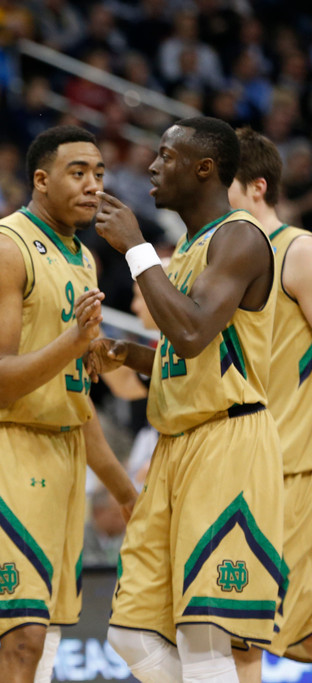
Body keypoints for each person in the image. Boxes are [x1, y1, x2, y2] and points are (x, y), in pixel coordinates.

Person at [89, 116, 285, 682]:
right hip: (177, 448)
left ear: (205, 168)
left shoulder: (240, 236)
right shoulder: (196, 246)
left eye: (166, 156)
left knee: (204, 635)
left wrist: (135, 249)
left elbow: (193, 332)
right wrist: (129, 354)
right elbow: (191, 355)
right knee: (130, 632)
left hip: (227, 443)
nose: (152, 166)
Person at [0, 124, 136, 682]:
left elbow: (73, 394)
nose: (93, 185)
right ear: (41, 179)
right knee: (23, 634)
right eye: (78, 173)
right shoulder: (0, 249)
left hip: (61, 451)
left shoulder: (83, 257)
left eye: (100, 174)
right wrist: (72, 343)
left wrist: (126, 491)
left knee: (48, 632)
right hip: (4, 446)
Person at [227, 127, 312, 678]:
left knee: (257, 632)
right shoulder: (223, 259)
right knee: (245, 633)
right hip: (241, 468)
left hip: (294, 470)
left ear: (257, 188)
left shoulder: (300, 252)